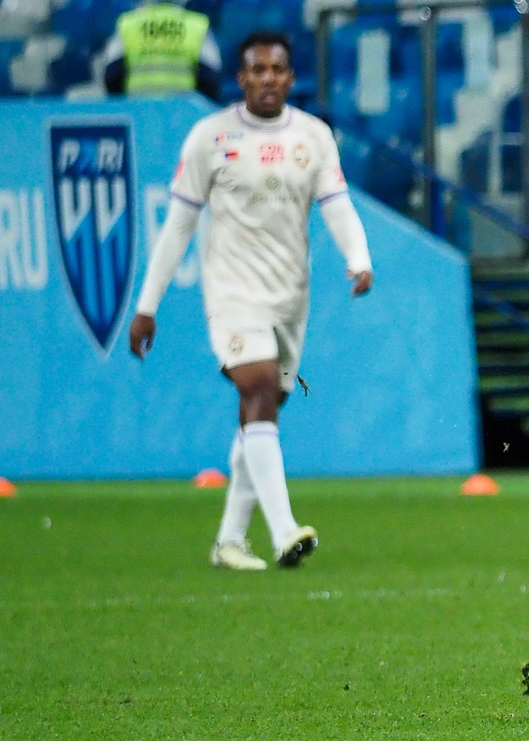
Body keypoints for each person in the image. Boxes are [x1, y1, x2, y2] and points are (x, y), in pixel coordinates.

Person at [127, 32, 373, 572]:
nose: (266, 78)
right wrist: (148, 305)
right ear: (241, 79)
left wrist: (359, 257)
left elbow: (336, 204)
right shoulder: (210, 138)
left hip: (290, 298)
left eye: (276, 70)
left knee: (261, 411)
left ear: (290, 77)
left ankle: (229, 541)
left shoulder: (313, 136)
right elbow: (177, 228)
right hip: (233, 293)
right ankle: (284, 531)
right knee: (258, 385)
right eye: (256, 70)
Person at [101, 0, 220, 98]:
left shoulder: (127, 24)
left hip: (139, 110)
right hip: (185, 112)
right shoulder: (196, 25)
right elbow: (210, 77)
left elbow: (112, 75)